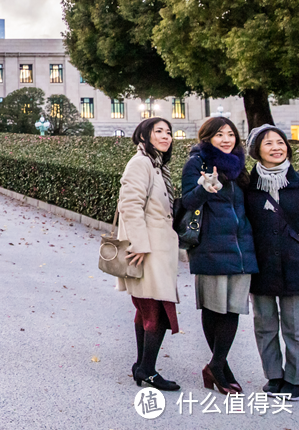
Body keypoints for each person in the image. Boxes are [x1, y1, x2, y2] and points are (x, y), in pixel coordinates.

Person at [181, 116, 257, 395]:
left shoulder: (239, 166)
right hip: (210, 246)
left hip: (241, 247)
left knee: (233, 308)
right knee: (214, 308)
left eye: (230, 134)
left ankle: (217, 364)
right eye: (219, 134)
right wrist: (204, 188)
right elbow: (187, 201)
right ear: (207, 137)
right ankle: (220, 368)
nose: (226, 139)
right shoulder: (197, 163)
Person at [116, 117, 181, 391]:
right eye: (158, 132)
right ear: (144, 136)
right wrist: (139, 244)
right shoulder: (140, 163)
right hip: (147, 249)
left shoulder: (156, 165)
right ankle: (147, 370)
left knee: (147, 309)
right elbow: (129, 205)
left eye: (168, 132)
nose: (165, 136)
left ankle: (142, 366)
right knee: (158, 311)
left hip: (157, 248)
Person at [244, 125, 299, 401]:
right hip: (261, 265)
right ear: (257, 150)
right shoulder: (248, 187)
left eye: (280, 142)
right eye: (268, 144)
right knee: (265, 326)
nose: (276, 147)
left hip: (297, 265)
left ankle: (295, 379)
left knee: (296, 328)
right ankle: (274, 376)